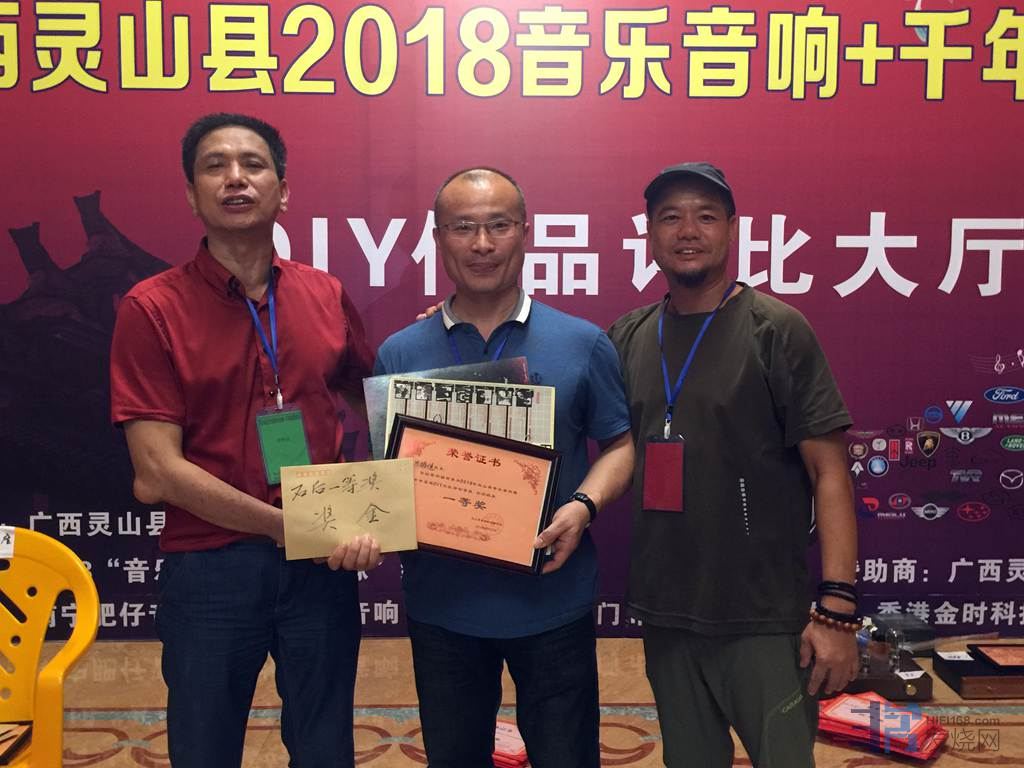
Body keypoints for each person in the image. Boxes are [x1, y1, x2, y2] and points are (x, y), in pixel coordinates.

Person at [109, 113, 379, 768]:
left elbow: (378, 401)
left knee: (325, 747)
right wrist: (288, 526)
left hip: (320, 567)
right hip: (211, 567)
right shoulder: (151, 308)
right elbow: (156, 471)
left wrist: (434, 347)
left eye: (253, 165)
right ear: (191, 194)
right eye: (215, 166)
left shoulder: (324, 293)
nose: (236, 178)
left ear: (283, 191)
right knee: (204, 748)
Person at [376, 167, 634, 768]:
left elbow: (621, 446)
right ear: (438, 238)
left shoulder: (582, 342)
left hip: (553, 601)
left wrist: (584, 506)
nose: (482, 244)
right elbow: (387, 475)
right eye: (463, 227)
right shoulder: (400, 353)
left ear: (525, 231)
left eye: (499, 225)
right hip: (443, 607)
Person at [608, 163, 859, 767]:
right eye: (670, 217)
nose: (687, 231)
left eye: (705, 216)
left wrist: (837, 610)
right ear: (649, 233)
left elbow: (830, 472)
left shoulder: (776, 330)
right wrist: (455, 322)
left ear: (732, 229)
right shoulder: (627, 336)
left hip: (761, 616)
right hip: (667, 611)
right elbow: (558, 412)